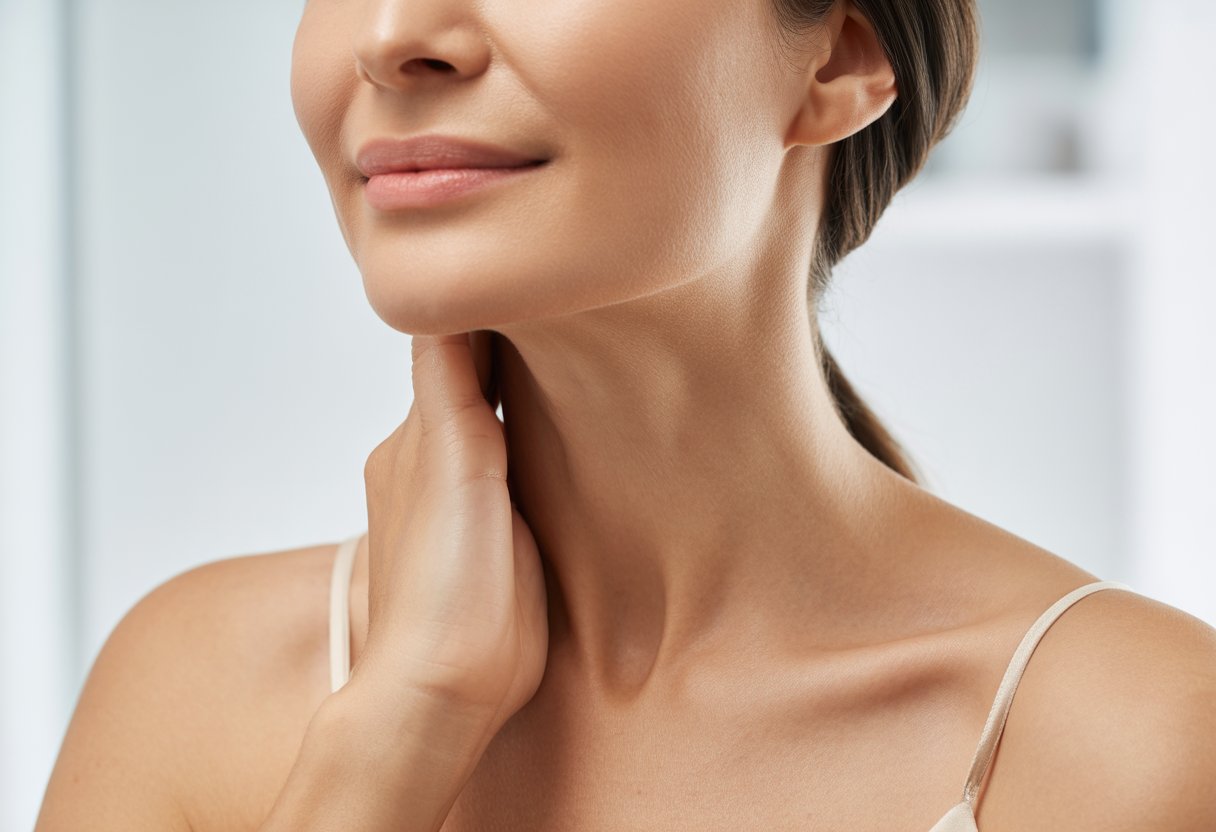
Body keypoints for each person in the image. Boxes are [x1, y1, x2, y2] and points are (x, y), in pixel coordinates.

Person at [36, 0, 1216, 829]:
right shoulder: (195, 686)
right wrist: (398, 730)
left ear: (837, 60)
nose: (393, 36)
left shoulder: (1137, 745)